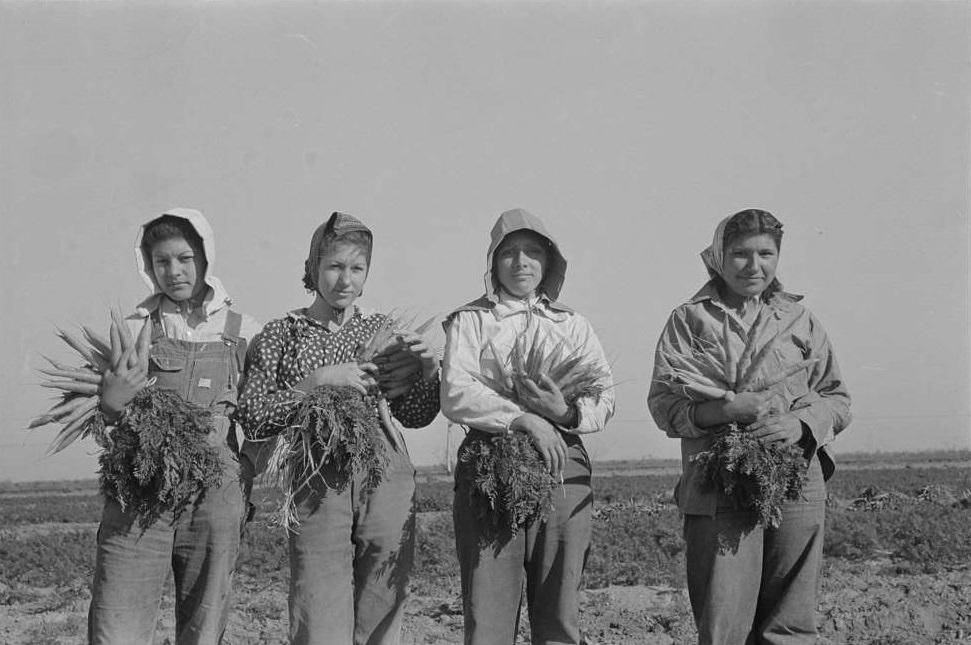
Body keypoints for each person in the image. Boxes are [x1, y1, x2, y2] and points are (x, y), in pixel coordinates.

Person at [648, 209, 852, 645]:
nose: (753, 265)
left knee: (791, 622)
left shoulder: (799, 318)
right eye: (740, 254)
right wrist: (724, 412)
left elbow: (837, 399)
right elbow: (664, 406)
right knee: (724, 620)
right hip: (719, 477)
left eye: (766, 253)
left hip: (797, 478)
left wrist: (799, 424)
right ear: (719, 256)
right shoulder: (689, 319)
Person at [235, 211, 440, 645]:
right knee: (318, 601)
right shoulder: (279, 335)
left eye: (356, 268)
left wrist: (427, 370)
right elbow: (252, 416)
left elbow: (416, 415)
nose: (345, 279)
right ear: (312, 269)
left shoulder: (381, 330)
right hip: (315, 476)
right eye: (334, 266)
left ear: (367, 274)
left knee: (384, 598)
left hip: (384, 471)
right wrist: (317, 382)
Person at [441, 208, 615, 645]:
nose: (521, 262)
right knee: (488, 609)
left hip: (563, 462)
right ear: (492, 262)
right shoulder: (471, 319)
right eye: (509, 253)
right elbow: (456, 392)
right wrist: (520, 419)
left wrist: (563, 415)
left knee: (558, 606)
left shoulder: (572, 324)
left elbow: (604, 397)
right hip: (490, 463)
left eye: (533, 252)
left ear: (550, 262)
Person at [89, 208, 261, 644]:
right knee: (117, 621)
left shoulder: (244, 331)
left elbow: (263, 416)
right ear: (148, 266)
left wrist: (245, 471)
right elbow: (103, 420)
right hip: (138, 489)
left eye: (185, 258)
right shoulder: (133, 328)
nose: (174, 271)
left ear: (206, 257)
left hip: (214, 494)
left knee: (204, 626)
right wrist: (109, 406)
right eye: (161, 261)